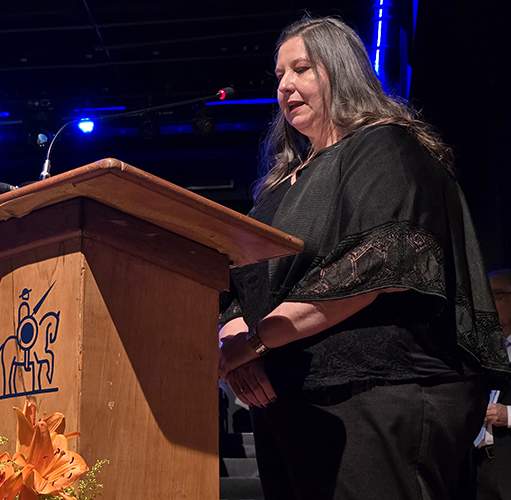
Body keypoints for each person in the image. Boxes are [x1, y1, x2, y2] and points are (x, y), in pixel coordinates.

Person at [217, 16, 511, 500]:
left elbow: (377, 264)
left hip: (378, 393)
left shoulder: (385, 147)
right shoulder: (275, 189)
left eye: (301, 69)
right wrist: (234, 348)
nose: (284, 85)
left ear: (342, 71)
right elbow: (240, 288)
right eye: (280, 74)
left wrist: (255, 342)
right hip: (287, 403)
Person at [474, 269, 511, 499]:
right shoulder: (481, 351)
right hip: (479, 467)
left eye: (495, 296)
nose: (488, 304)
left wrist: (509, 415)